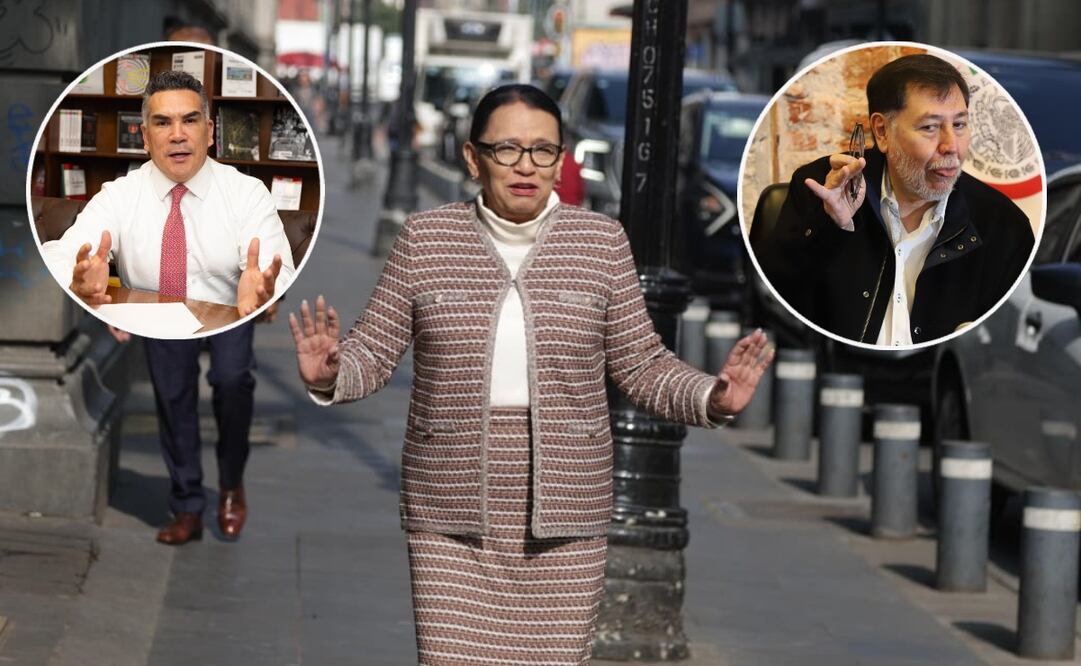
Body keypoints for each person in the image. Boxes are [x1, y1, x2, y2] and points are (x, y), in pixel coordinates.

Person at [288, 84, 772, 664]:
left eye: (544, 150)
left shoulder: (599, 242)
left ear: (561, 159)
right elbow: (374, 349)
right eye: (508, 149)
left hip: (568, 506)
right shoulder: (425, 238)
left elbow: (642, 363)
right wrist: (330, 373)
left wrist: (712, 396)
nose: (526, 166)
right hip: (451, 504)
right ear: (473, 157)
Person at [40, 67, 296, 545]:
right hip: (157, 310)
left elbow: (267, 257)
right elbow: (70, 248)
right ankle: (187, 505)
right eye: (162, 122)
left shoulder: (245, 192)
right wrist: (81, 280)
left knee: (231, 381)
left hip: (227, 307)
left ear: (209, 130)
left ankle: (231, 482)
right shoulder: (121, 194)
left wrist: (262, 286)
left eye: (190, 120)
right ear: (144, 134)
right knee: (173, 396)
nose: (177, 134)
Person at [752, 53, 1035, 346]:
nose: (951, 146)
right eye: (930, 127)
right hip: (837, 377)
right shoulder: (823, 185)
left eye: (960, 125)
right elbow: (765, 300)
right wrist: (827, 226)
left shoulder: (1003, 226)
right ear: (882, 131)